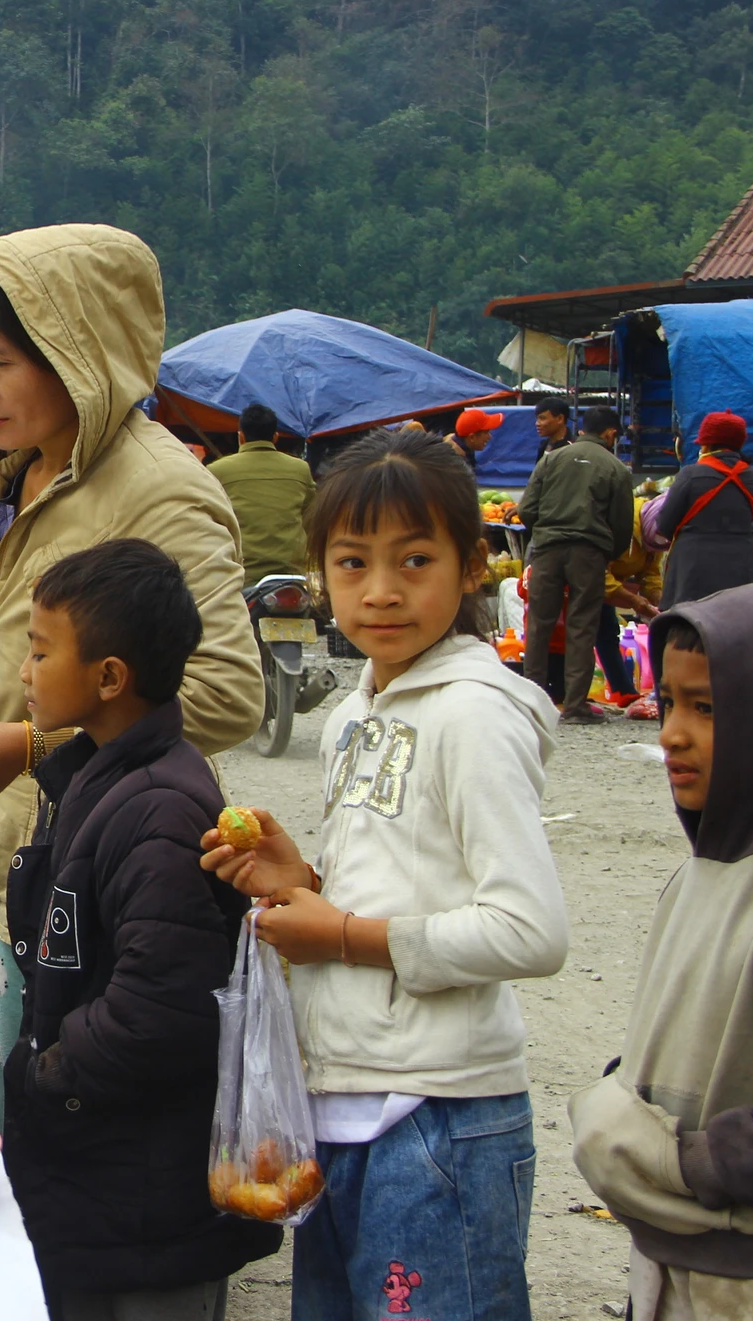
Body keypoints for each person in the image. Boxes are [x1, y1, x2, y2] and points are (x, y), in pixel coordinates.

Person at [200, 428, 568, 1321]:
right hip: (344, 1103)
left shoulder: (474, 717)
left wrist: (343, 936)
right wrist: (309, 878)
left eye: (414, 559)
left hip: (437, 1116)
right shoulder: (354, 712)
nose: (383, 591)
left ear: (471, 565)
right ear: (319, 574)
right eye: (353, 562)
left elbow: (530, 928)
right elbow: (415, 880)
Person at [0, 227, 262, 1129]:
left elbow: (225, 690)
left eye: (1, 362)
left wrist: (23, 749)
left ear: (78, 357)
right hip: (24, 873)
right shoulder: (12, 479)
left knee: (85, 1127)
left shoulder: (158, 491)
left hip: (109, 882)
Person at [4, 539, 280, 1318]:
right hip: (105, 1180)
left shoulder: (158, 805)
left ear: (110, 677)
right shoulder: (104, 775)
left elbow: (159, 1007)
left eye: (40, 650)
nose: (24, 671)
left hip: (145, 1196)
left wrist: (45, 1075)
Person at [569, 586, 753, 1321]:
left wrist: (678, 1160)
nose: (671, 735)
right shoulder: (695, 876)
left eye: (709, 709)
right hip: (670, 1263)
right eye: (669, 703)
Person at [518, 404, 634, 723]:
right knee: (582, 625)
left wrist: (545, 530)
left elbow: (527, 509)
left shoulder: (551, 459)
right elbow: (623, 524)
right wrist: (608, 554)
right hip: (589, 552)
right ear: (610, 433)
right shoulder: (616, 469)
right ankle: (575, 706)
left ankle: (533, 703)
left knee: (539, 624)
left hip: (546, 549)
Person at [653, 410, 753, 609]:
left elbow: (664, 525)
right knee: (733, 624)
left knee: (689, 629)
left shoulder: (691, 473)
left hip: (693, 569)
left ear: (707, 443)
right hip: (739, 566)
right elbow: (750, 515)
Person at [208, 402, 315, 582]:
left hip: (240, 574)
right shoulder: (300, 469)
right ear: (275, 437)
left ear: (240, 436)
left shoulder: (216, 471)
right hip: (292, 573)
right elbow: (312, 517)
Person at [599, 507, 663, 707]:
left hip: (610, 585)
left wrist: (657, 600)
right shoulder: (620, 526)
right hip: (585, 579)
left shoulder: (657, 534)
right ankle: (570, 698)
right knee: (581, 636)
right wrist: (634, 601)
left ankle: (624, 691)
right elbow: (597, 571)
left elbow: (651, 572)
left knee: (608, 633)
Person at [449, 406, 501, 473]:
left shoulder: (462, 451)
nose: (490, 436)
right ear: (472, 437)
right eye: (486, 432)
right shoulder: (456, 465)